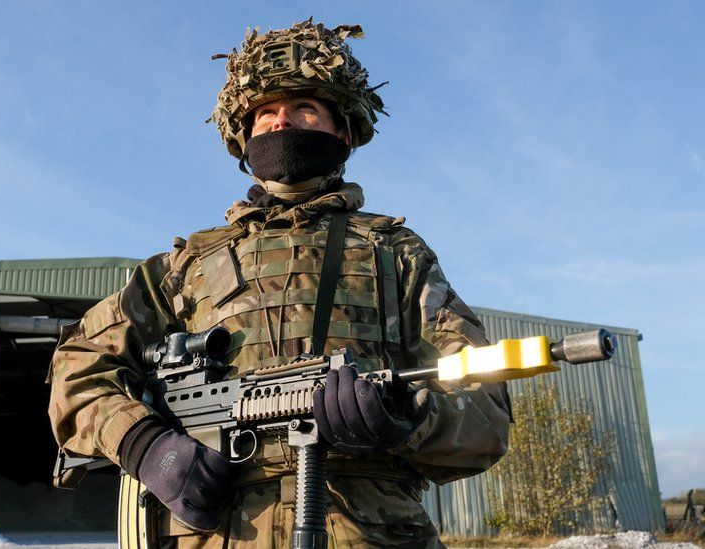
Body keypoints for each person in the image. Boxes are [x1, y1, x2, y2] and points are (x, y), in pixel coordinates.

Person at [49, 18, 512, 548]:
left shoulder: (397, 255)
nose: (280, 123)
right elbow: (79, 365)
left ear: (342, 130)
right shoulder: (186, 267)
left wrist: (405, 418)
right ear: (244, 139)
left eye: (303, 109)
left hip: (373, 533)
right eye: (264, 113)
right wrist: (146, 447)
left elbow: (485, 409)